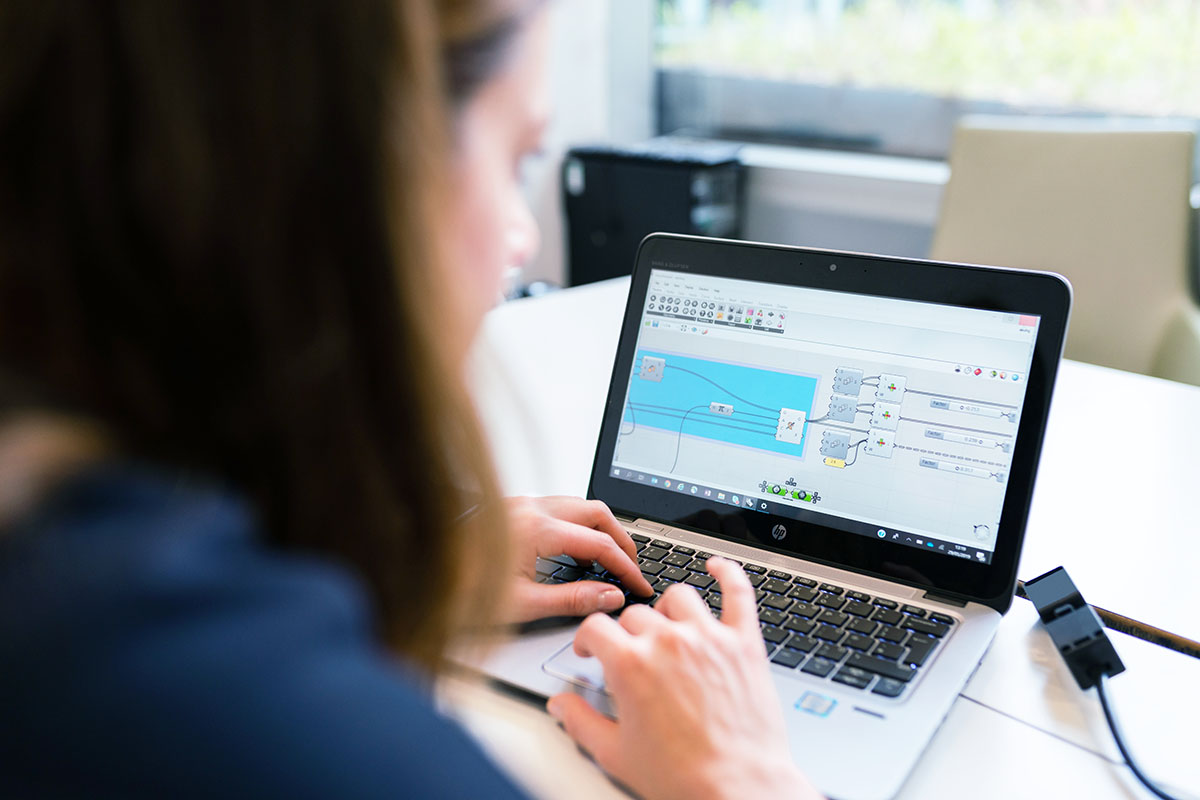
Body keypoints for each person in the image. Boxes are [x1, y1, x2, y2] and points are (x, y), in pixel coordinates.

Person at [0, 2, 820, 798]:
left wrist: (409, 552)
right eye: (518, 158)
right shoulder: (279, 733)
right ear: (354, 185)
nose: (522, 238)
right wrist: (740, 777)